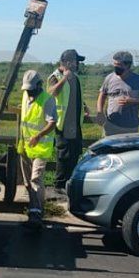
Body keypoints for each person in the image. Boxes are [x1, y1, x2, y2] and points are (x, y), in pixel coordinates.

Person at [16, 69, 57, 227]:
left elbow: (52, 123)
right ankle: (33, 211)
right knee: (28, 182)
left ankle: (37, 214)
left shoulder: (48, 100)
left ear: (39, 85)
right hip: (26, 146)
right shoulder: (26, 95)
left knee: (36, 180)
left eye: (31, 89)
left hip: (40, 147)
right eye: (27, 89)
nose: (29, 91)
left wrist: (38, 136)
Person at [47, 49, 89, 191]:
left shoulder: (75, 77)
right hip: (63, 122)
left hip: (75, 122)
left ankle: (69, 184)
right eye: (77, 61)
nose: (78, 64)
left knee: (75, 152)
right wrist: (64, 78)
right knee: (64, 155)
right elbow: (52, 92)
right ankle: (59, 185)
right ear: (69, 62)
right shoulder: (55, 76)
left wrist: (84, 106)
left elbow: (74, 95)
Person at [96, 51, 139, 136]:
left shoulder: (137, 79)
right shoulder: (109, 78)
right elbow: (102, 96)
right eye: (115, 64)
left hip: (130, 126)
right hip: (111, 125)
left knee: (129, 149)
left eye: (119, 65)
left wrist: (132, 101)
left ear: (128, 65)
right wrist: (100, 112)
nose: (116, 67)